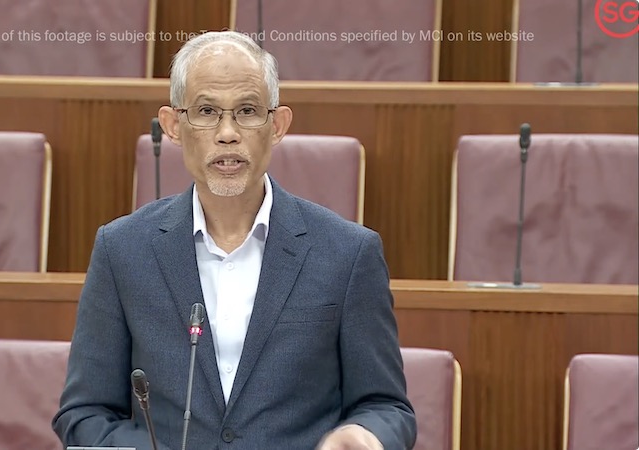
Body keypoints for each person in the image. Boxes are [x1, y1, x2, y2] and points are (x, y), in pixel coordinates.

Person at [52, 30, 416, 450]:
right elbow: (85, 413)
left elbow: (387, 406)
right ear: (173, 125)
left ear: (277, 125)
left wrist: (363, 434)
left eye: (247, 111)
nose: (228, 133)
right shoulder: (123, 250)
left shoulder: (348, 253)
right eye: (206, 111)